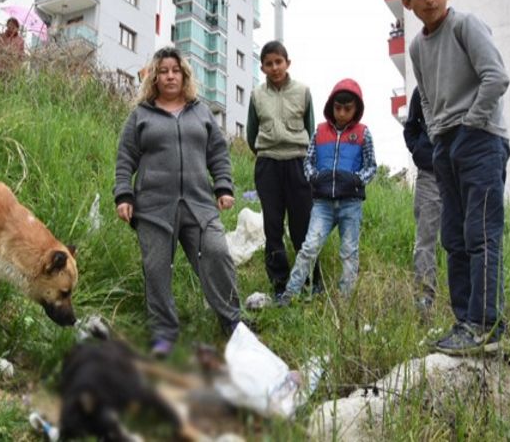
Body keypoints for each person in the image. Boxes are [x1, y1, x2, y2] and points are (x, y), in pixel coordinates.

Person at [402, 0, 510, 354]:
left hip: (481, 140)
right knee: (454, 237)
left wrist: (470, 125)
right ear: (408, 2)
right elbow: (427, 98)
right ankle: (465, 321)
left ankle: (486, 325)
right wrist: (436, 134)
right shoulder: (416, 46)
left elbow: (496, 77)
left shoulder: (466, 25)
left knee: (481, 234)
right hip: (445, 145)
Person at [113, 47, 241, 358]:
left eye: (176, 70)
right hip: (153, 207)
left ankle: (234, 324)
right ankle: (164, 334)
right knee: (156, 269)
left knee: (217, 252)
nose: (170, 75)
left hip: (199, 204)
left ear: (184, 75)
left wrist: (223, 186)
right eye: (163, 70)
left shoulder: (201, 112)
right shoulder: (141, 115)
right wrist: (124, 194)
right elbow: (125, 157)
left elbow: (218, 154)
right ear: (154, 77)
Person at [275, 79, 377, 307]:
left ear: (356, 109)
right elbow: (308, 161)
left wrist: (356, 179)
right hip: (322, 204)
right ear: (331, 106)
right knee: (309, 247)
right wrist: (314, 177)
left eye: (347, 109)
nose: (342, 113)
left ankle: (344, 301)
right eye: (337, 108)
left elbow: (372, 167)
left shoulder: (363, 134)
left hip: (351, 203)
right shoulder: (319, 131)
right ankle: (290, 295)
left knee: (349, 253)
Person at [246, 40, 322, 300]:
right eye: (269, 63)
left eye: (279, 61)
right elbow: (251, 133)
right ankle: (279, 284)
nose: (275, 67)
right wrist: (266, 155)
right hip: (268, 165)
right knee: (273, 227)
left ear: (288, 63)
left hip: (298, 164)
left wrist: (303, 161)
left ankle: (311, 280)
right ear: (263, 67)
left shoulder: (303, 92)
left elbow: (310, 131)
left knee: (303, 226)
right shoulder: (257, 95)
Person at [403, 87, 441, 315]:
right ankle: (424, 301)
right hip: (430, 172)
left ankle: (467, 307)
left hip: (461, 169)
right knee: (425, 237)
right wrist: (420, 151)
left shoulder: (464, 72)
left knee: (464, 238)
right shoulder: (422, 86)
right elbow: (411, 127)